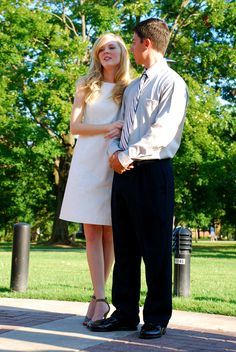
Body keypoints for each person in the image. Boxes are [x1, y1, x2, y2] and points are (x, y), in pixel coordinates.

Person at [89, 18, 188, 339]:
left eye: (132, 42)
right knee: (127, 247)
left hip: (153, 171)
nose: (130, 48)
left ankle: (157, 316)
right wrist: (116, 153)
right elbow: (120, 126)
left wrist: (128, 155)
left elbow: (164, 131)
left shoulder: (172, 83)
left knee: (156, 247)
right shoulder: (132, 88)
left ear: (147, 44)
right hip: (123, 171)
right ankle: (125, 313)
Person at [60, 33, 130, 328]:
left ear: (122, 51)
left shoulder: (130, 87)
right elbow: (75, 126)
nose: (106, 52)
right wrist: (107, 127)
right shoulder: (86, 84)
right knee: (91, 232)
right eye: (101, 48)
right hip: (88, 161)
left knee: (111, 233)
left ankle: (97, 299)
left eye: (111, 47)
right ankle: (101, 299)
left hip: (116, 162)